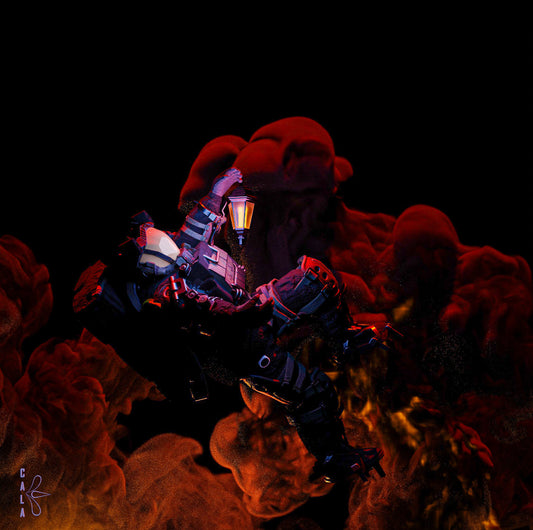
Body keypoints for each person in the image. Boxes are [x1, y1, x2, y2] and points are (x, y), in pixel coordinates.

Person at [73, 168, 385, 483]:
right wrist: (242, 313)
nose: (162, 242)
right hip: (241, 349)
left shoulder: (167, 248)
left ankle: (345, 341)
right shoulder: (161, 295)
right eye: (147, 242)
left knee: (313, 278)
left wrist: (217, 191)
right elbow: (206, 309)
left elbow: (193, 230)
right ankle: (333, 458)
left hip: (250, 310)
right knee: (313, 391)